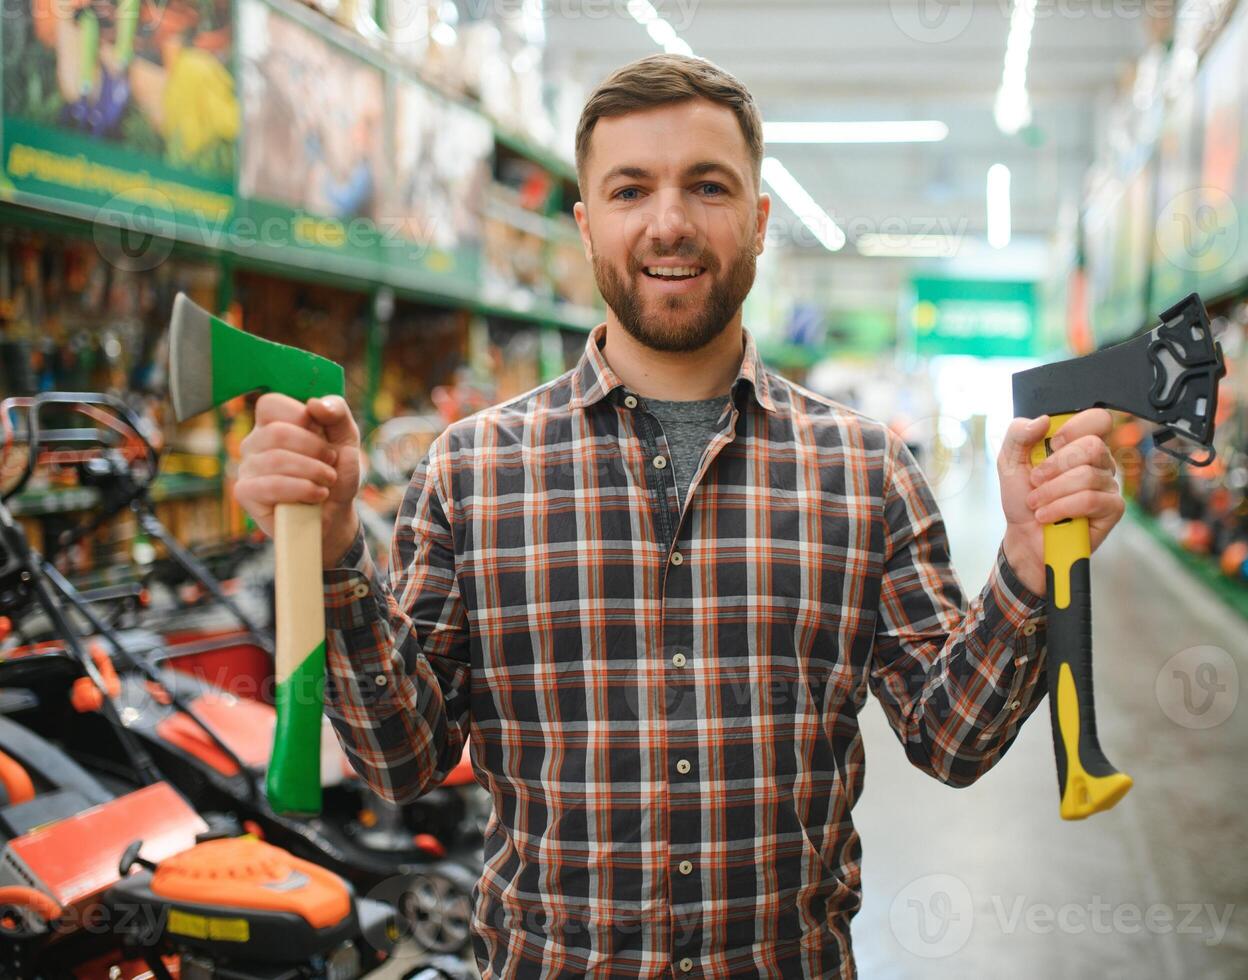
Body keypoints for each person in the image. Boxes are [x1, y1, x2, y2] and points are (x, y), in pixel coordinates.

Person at [235, 54, 1124, 979]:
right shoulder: (471, 471)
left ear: (758, 220)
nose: (669, 223)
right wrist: (332, 549)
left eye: (707, 186)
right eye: (629, 190)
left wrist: (1026, 558)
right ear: (586, 226)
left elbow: (955, 740)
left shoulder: (864, 472)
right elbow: (400, 761)